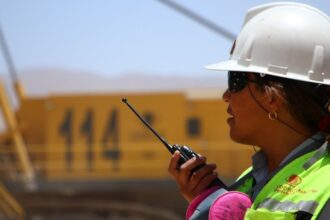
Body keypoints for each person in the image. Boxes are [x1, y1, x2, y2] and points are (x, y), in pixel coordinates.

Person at [168, 2, 330, 219]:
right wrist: (205, 202)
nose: (226, 95)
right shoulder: (249, 179)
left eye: (235, 81)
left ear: (273, 97)